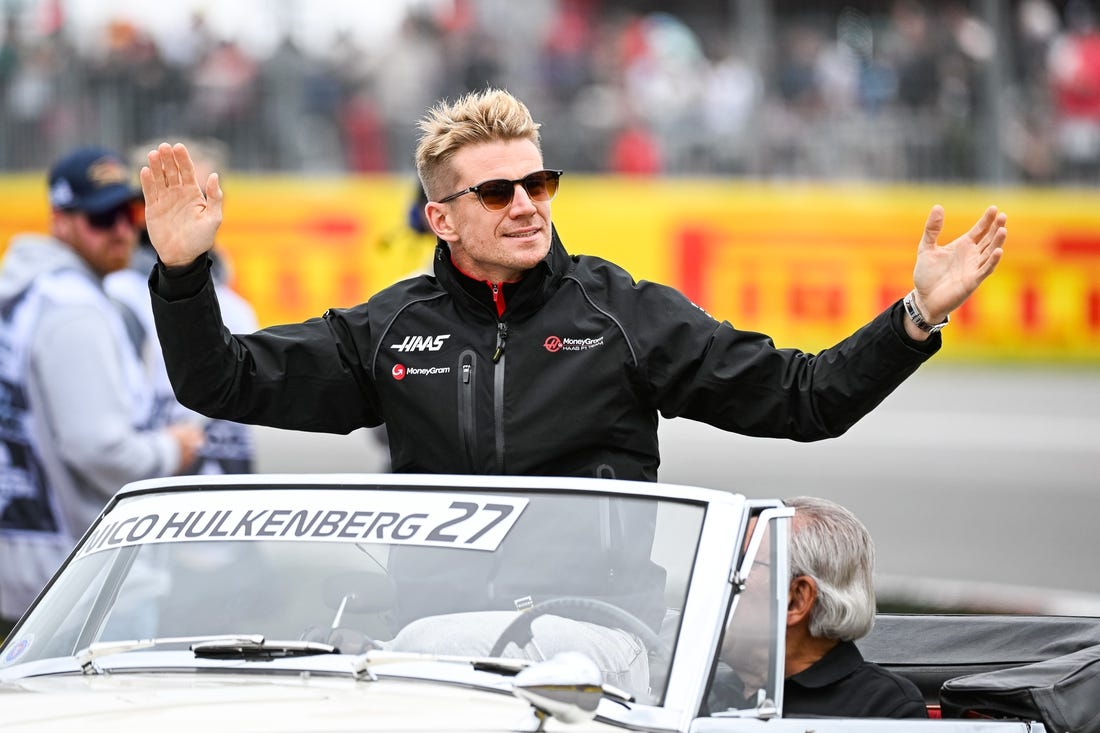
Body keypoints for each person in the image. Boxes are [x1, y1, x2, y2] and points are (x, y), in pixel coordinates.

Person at [138, 88, 1005, 631]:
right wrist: (181, 272)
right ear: (442, 218)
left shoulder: (625, 312)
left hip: (597, 640)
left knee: (568, 654)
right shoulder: (392, 327)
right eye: (497, 191)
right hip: (429, 641)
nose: (526, 205)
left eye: (539, 183)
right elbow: (219, 379)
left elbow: (807, 400)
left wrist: (916, 313)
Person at [0, 146, 205, 635]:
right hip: (77, 587)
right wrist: (169, 450)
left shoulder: (26, 293)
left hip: (24, 562)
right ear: (60, 221)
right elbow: (98, 447)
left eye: (128, 213)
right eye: (100, 217)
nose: (120, 231)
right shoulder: (75, 309)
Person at [106, 137, 259, 475]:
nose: (194, 211)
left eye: (203, 196)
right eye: (176, 195)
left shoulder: (237, 306)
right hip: (150, 506)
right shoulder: (116, 298)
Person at [711, 496, 927, 717]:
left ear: (796, 599)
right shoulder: (696, 688)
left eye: (741, 564)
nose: (715, 579)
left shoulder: (884, 709)